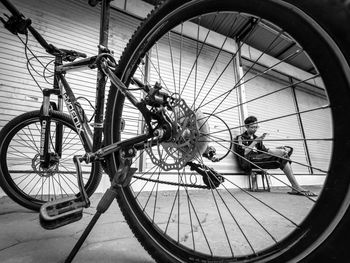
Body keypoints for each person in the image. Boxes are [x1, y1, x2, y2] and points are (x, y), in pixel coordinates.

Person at [236, 115, 316, 196]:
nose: (255, 129)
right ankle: (296, 187)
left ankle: (295, 186)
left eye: (256, 127)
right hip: (248, 162)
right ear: (246, 126)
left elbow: (264, 151)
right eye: (253, 127)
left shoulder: (257, 138)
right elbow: (244, 153)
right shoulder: (240, 138)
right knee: (281, 159)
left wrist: (279, 149)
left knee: (287, 151)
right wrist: (255, 141)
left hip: (259, 159)